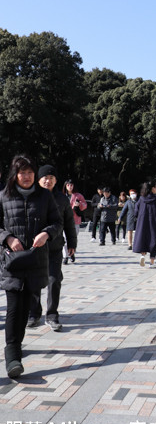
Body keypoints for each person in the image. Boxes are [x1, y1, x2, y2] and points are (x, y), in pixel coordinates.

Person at [0, 154, 62, 378]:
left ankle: (16, 348)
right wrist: (8, 237)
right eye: (22, 172)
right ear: (14, 174)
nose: (26, 177)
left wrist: (46, 233)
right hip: (12, 263)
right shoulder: (4, 197)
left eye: (29, 172)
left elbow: (57, 222)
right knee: (14, 309)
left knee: (26, 310)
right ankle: (13, 356)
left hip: (36, 261)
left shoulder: (44, 196)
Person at [28, 165, 77, 331]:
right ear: (39, 179)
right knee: (33, 282)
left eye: (51, 178)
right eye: (45, 177)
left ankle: (52, 315)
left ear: (56, 180)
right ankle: (34, 314)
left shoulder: (62, 199)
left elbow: (69, 223)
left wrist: (72, 243)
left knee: (54, 280)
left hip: (55, 248)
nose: (48, 180)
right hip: (34, 248)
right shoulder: (32, 196)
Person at [133, 182, 156, 267]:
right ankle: (152, 262)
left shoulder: (141, 198)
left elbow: (136, 210)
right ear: (152, 188)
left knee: (143, 238)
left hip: (142, 221)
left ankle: (143, 255)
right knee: (154, 239)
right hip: (153, 222)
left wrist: (137, 217)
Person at [62, 180, 87, 263]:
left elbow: (85, 205)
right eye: (68, 185)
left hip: (75, 220)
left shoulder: (78, 195)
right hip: (63, 220)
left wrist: (79, 204)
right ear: (65, 186)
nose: (70, 186)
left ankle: (72, 252)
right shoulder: (61, 196)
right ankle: (65, 256)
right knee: (64, 239)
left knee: (73, 238)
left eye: (71, 185)